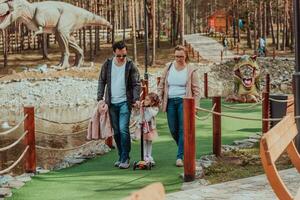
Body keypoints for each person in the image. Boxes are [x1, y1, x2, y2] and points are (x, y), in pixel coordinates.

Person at [97, 41, 141, 169]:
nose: (122, 58)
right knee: (116, 131)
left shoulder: (130, 65)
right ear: (114, 53)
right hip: (111, 103)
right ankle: (121, 155)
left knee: (123, 129)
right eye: (119, 56)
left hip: (124, 103)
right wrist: (99, 97)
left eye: (124, 55)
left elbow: (136, 83)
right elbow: (102, 81)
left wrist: (136, 98)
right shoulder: (107, 64)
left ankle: (126, 157)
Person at [158, 45, 200, 167]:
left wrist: (195, 106)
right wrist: (159, 99)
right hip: (170, 101)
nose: (179, 59)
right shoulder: (168, 67)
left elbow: (196, 91)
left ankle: (179, 156)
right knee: (173, 129)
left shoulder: (191, 70)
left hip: (184, 102)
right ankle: (186, 149)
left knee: (183, 129)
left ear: (186, 56)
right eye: (176, 56)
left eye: (181, 56)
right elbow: (161, 85)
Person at [133, 92, 160, 165]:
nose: (145, 101)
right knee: (143, 142)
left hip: (150, 128)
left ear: (153, 102)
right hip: (142, 127)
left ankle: (149, 156)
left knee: (149, 142)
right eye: (145, 99)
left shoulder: (154, 108)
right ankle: (144, 156)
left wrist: (148, 107)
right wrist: (137, 108)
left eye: (147, 100)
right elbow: (137, 116)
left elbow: (152, 114)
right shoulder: (142, 108)